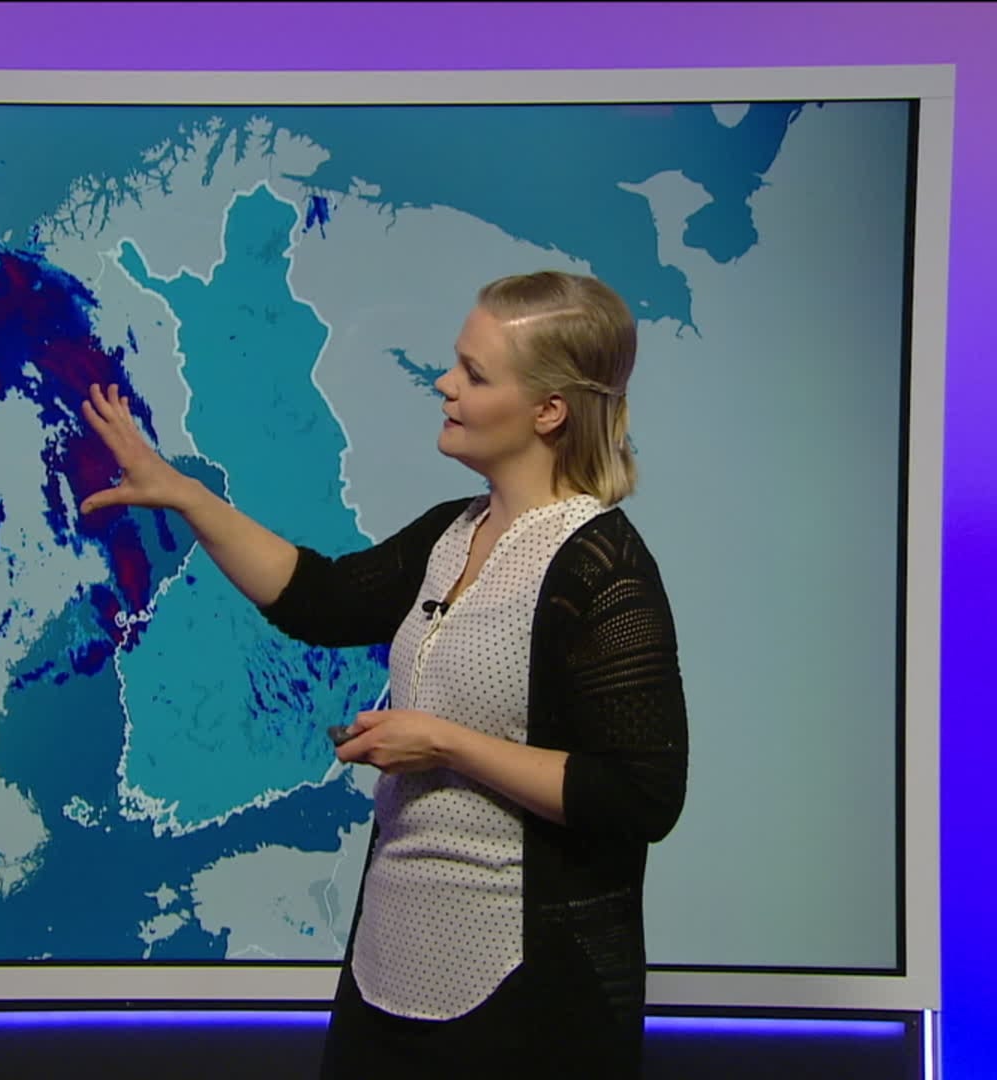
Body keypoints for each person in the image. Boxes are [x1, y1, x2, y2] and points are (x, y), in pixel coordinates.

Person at [78, 270, 688, 1078]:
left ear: (549, 411)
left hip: (526, 1000)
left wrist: (445, 744)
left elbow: (640, 794)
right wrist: (187, 497)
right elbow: (322, 601)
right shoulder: (451, 533)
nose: (445, 384)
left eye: (475, 374)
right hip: (386, 976)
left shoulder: (603, 569)